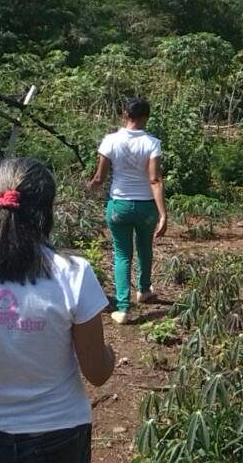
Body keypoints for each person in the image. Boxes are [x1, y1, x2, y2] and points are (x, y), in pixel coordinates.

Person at [0, 157, 115, 463]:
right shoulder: (74, 273)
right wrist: (110, 354)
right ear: (46, 212)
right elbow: (97, 372)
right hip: (60, 430)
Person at [89, 97, 167, 325]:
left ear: (125, 114)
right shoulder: (152, 143)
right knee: (145, 248)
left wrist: (90, 188)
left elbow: (100, 178)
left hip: (119, 205)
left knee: (122, 255)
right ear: (146, 117)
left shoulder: (110, 141)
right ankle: (143, 289)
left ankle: (123, 308)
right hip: (146, 206)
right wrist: (163, 213)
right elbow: (154, 179)